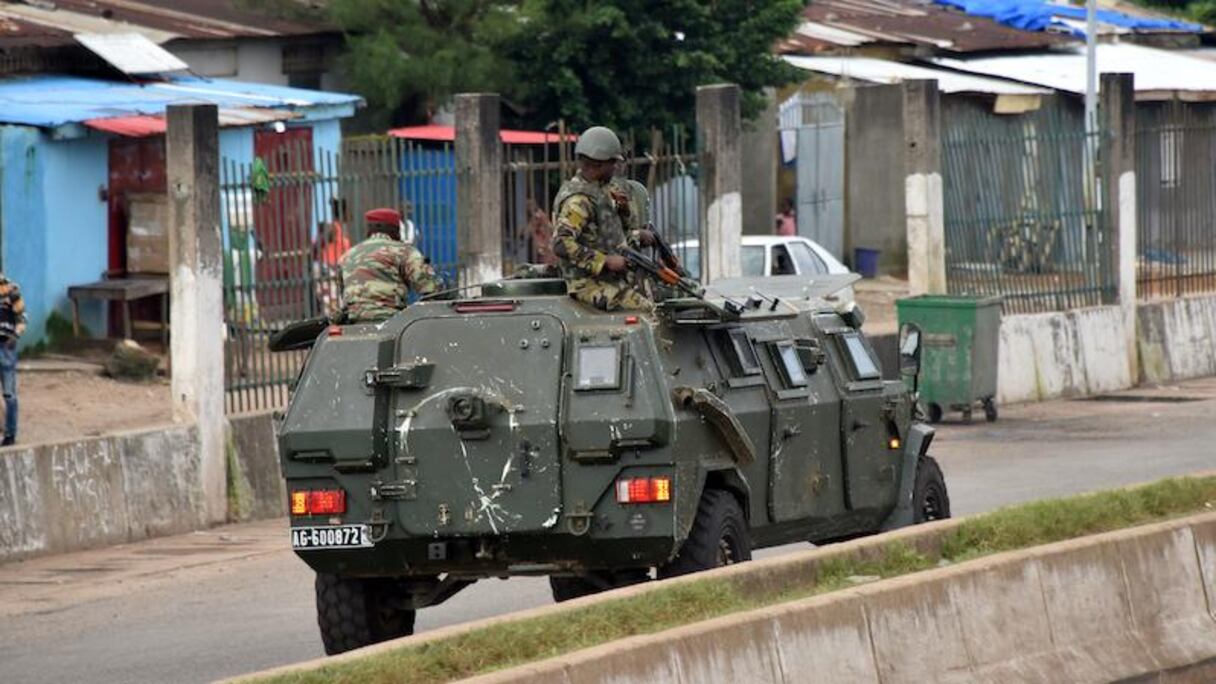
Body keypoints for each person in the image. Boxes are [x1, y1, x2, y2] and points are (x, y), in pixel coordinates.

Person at [551, 126, 656, 312]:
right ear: (598, 165)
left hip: (610, 279)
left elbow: (605, 237)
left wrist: (634, 231)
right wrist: (604, 261)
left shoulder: (600, 191)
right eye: (613, 163)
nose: (615, 167)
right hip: (587, 284)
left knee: (660, 295)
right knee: (646, 312)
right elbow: (561, 243)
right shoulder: (579, 201)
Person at [339, 208, 439, 323]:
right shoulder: (404, 251)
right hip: (392, 320)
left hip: (353, 321)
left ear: (369, 230)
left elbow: (343, 291)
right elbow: (430, 289)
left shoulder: (347, 255)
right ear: (396, 230)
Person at [0, 273, 25, 446]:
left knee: (9, 394)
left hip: (5, 346)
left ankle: (10, 434)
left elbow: (22, 317)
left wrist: (15, 336)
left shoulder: (11, 290)